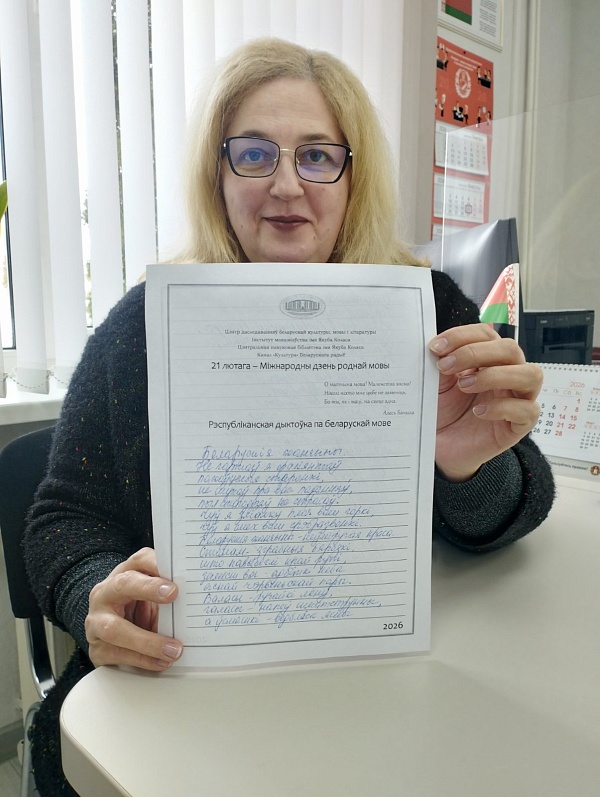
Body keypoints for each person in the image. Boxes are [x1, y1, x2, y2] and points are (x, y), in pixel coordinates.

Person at [23, 37, 554, 796]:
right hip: (178, 703)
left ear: (352, 176)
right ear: (218, 176)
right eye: (253, 154)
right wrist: (93, 592)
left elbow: (515, 506)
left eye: (316, 156)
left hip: (381, 694)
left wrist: (468, 465)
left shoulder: (425, 308)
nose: (284, 186)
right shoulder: (144, 325)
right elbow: (62, 518)